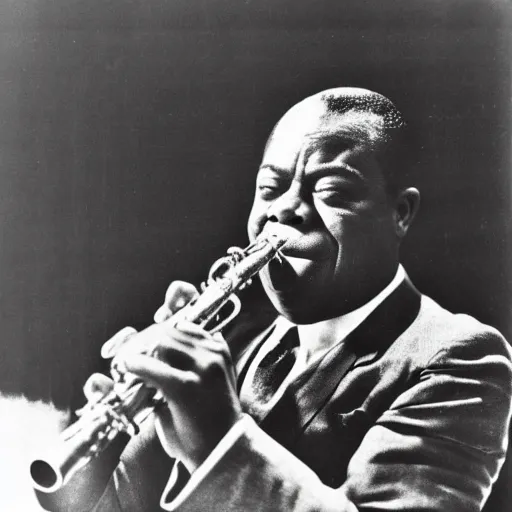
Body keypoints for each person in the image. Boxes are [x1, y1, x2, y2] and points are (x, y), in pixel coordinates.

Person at [35, 87, 512, 512]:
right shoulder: (234, 336)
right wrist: (114, 424)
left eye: (330, 191)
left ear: (400, 213)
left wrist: (219, 441)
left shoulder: (462, 357)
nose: (283, 209)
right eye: (270, 188)